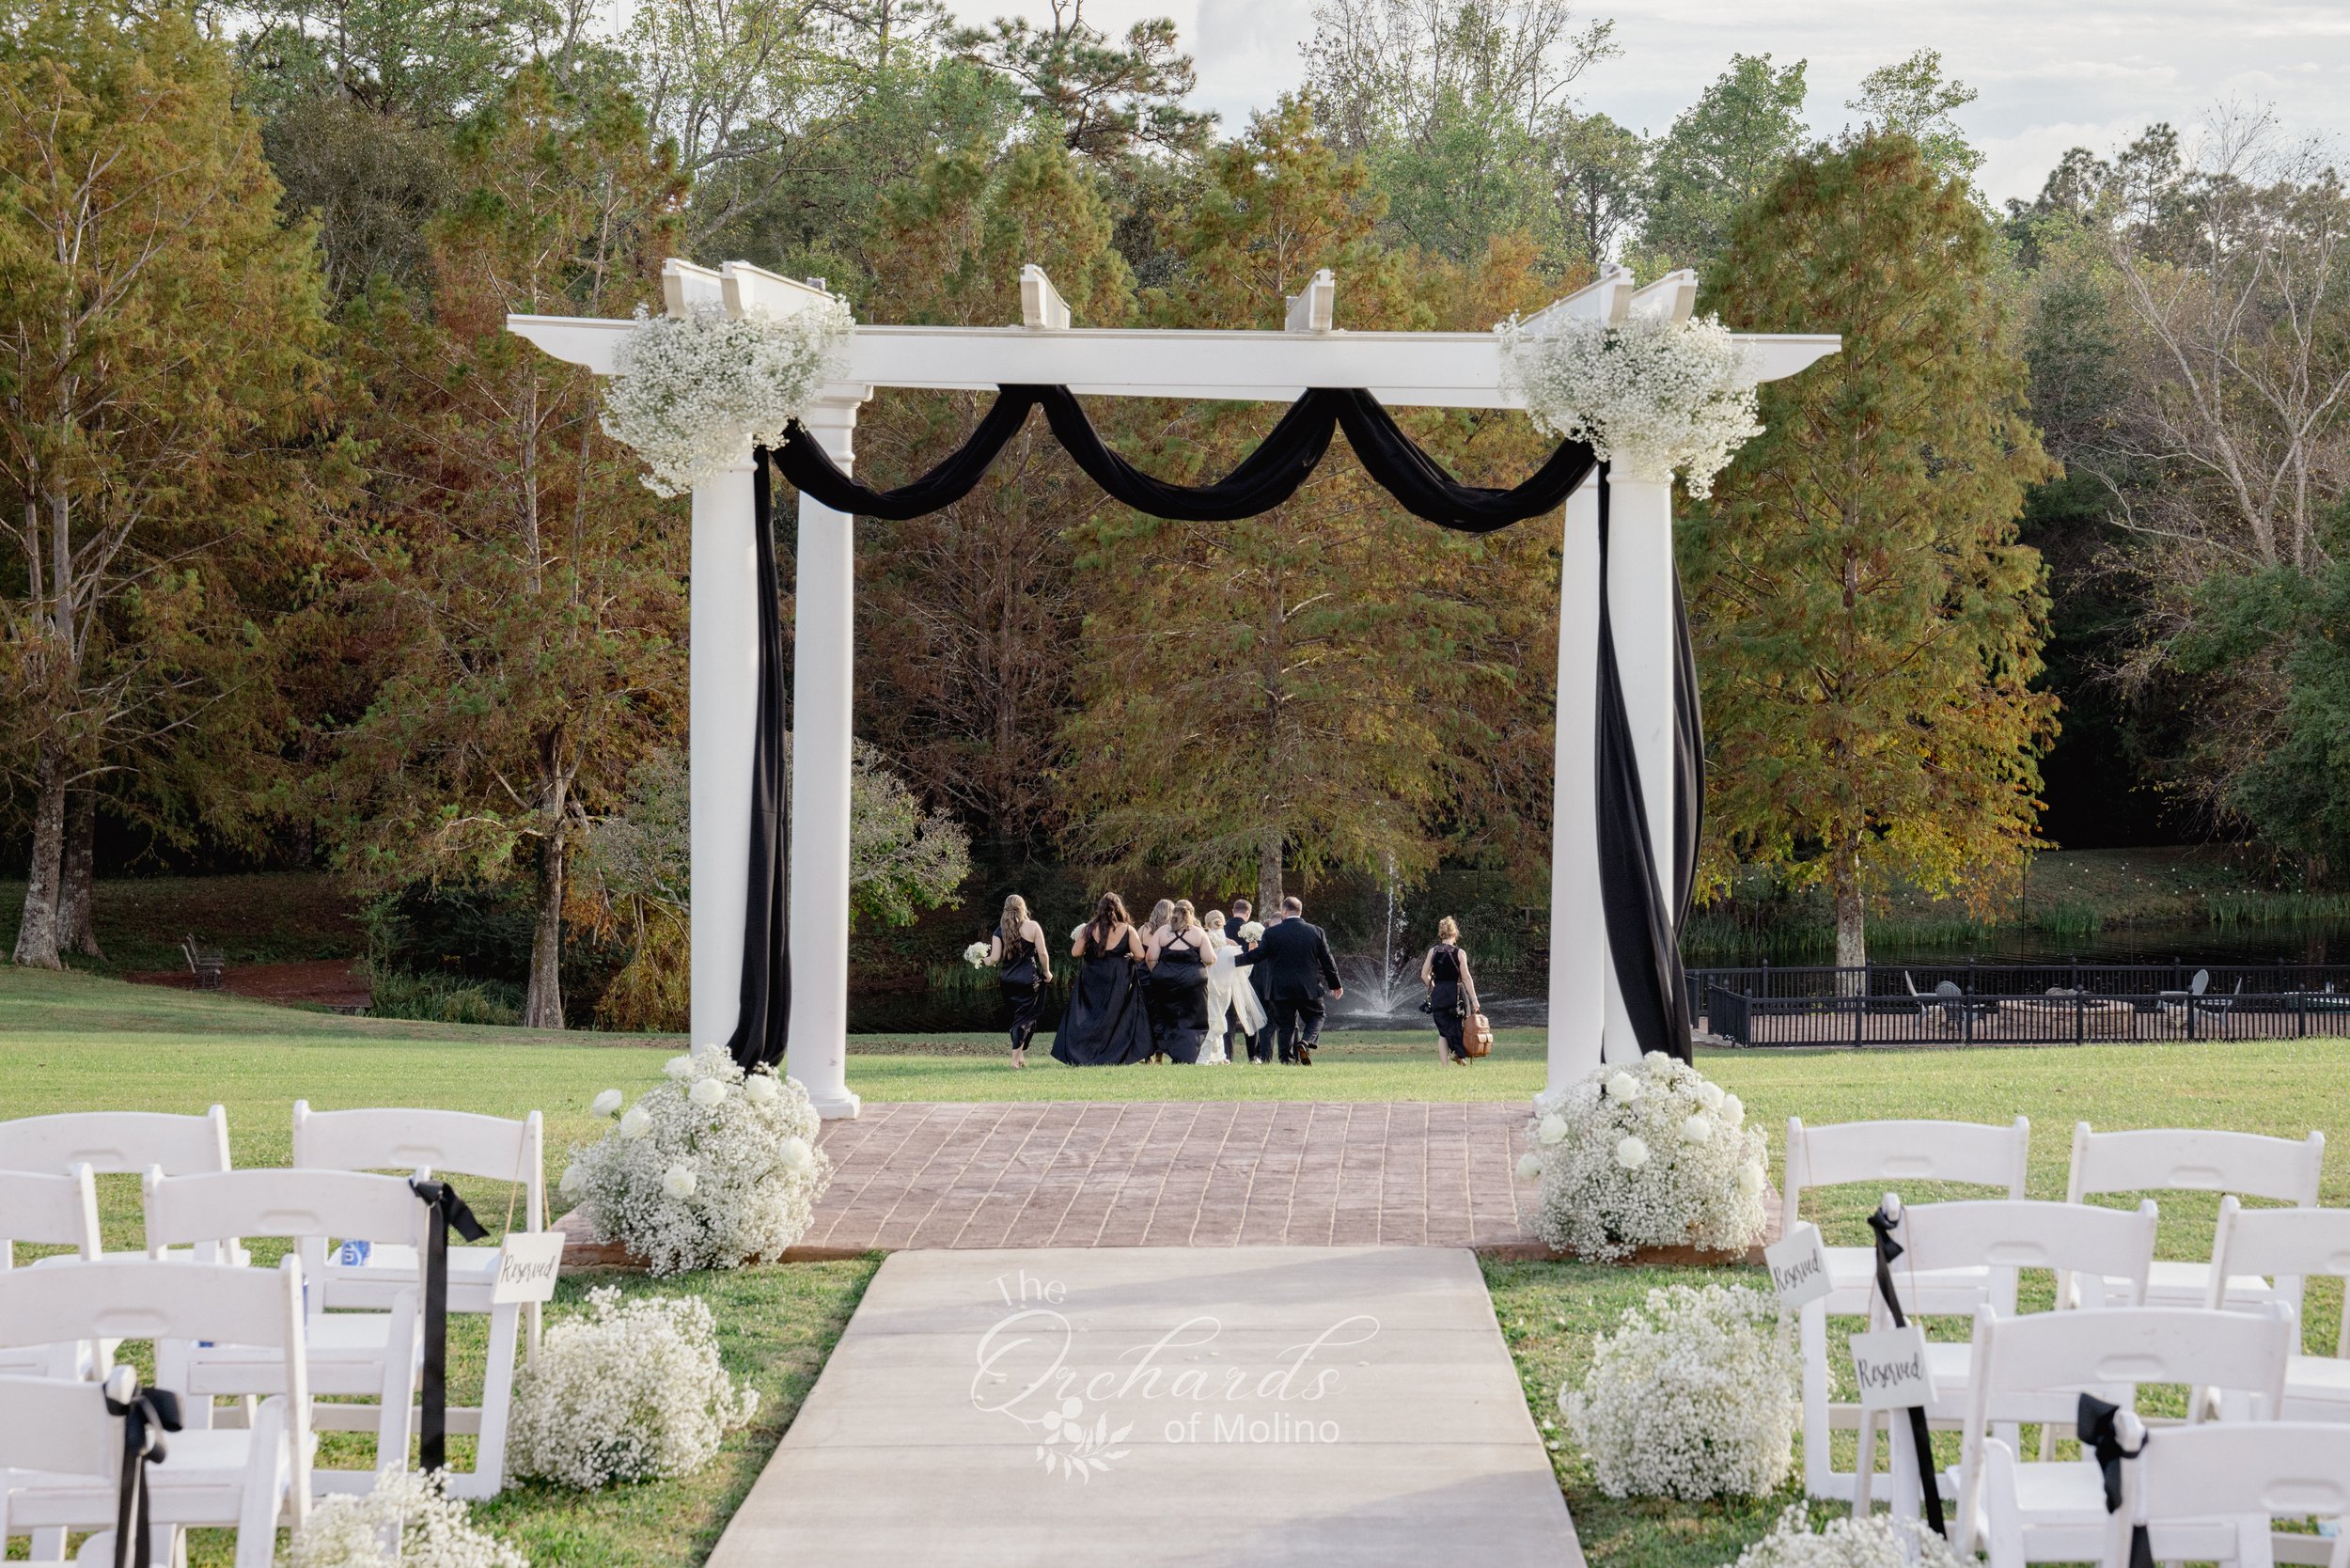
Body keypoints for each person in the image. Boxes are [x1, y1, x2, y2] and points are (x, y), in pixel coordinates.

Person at [1232, 895, 1342, 1065]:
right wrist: (1335, 984)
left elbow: (1258, 955)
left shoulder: (1272, 933)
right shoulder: (1316, 932)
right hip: (1308, 987)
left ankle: (1285, 1059)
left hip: (1279, 988)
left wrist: (1233, 961)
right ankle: (1305, 1042)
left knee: (1285, 1025)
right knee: (1317, 1016)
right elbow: (1327, 960)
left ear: (1284, 911)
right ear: (1300, 911)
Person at [1053, 894, 1152, 1066]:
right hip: (1118, 978)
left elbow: (1075, 952)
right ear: (1119, 909)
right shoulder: (1127, 930)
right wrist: (1127, 956)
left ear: (1100, 909)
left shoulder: (1089, 929)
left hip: (1093, 978)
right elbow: (1140, 955)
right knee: (1115, 1015)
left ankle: (1086, 1052)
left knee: (1091, 1015)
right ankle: (1113, 1052)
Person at [1144, 900, 1214, 1063]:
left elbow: (1150, 957)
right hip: (1192, 982)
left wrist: (1159, 972)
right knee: (1192, 1017)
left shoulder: (1162, 931)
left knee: (1165, 1015)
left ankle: (1165, 1048)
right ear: (1191, 913)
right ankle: (1187, 1053)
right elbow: (1209, 958)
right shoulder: (1198, 933)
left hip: (1164, 981)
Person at [988, 894, 1051, 1068]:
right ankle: (1015, 1060)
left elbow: (994, 958)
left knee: (1019, 1018)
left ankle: (1020, 1056)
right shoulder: (1033, 926)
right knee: (1025, 1019)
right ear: (1023, 907)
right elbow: (1043, 953)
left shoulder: (999, 930)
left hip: (1007, 981)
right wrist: (1047, 971)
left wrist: (983, 960)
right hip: (1028, 980)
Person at [1199, 909, 1266, 1064]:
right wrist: (1252, 948)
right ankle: (1215, 1055)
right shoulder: (1231, 945)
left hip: (1208, 987)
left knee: (1211, 1017)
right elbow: (1244, 969)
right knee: (1220, 1016)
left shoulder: (1203, 941)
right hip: (1226, 988)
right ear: (1222, 922)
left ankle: (1210, 1054)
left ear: (1207, 923)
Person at [1420, 915, 1480, 1065]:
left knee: (1443, 1031)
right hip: (1455, 994)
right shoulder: (1459, 953)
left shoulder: (1433, 952)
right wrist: (1474, 1000)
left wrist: (1434, 988)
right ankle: (1459, 1053)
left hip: (1439, 994)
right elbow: (1466, 978)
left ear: (1441, 934)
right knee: (1457, 1025)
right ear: (1454, 934)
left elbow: (1424, 975)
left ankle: (1445, 1066)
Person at [1136, 899, 1176, 1059]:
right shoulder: (1171, 931)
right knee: (1162, 1015)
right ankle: (1160, 1055)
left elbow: (1137, 953)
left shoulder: (1143, 929)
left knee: (1146, 1014)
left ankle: (1147, 1055)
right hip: (1164, 976)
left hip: (1144, 976)